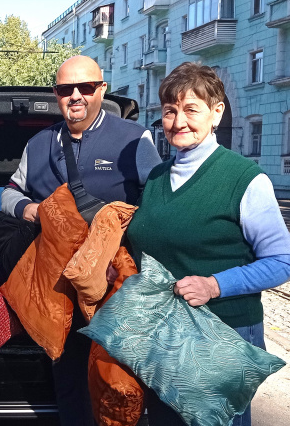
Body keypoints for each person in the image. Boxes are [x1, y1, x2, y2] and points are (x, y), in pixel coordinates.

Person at [0, 55, 162, 426]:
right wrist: (36, 211)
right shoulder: (39, 143)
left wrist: (115, 257)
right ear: (56, 95)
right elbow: (10, 192)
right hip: (58, 291)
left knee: (115, 383)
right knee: (69, 381)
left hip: (113, 289)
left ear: (101, 89)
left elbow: (154, 207)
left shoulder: (133, 139)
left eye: (85, 87)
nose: (75, 96)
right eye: (65, 89)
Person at [127, 62, 290, 426]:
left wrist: (214, 284)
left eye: (190, 109)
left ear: (216, 113)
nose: (178, 121)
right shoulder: (156, 178)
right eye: (170, 111)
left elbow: (282, 260)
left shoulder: (244, 179)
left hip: (222, 335)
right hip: (163, 335)